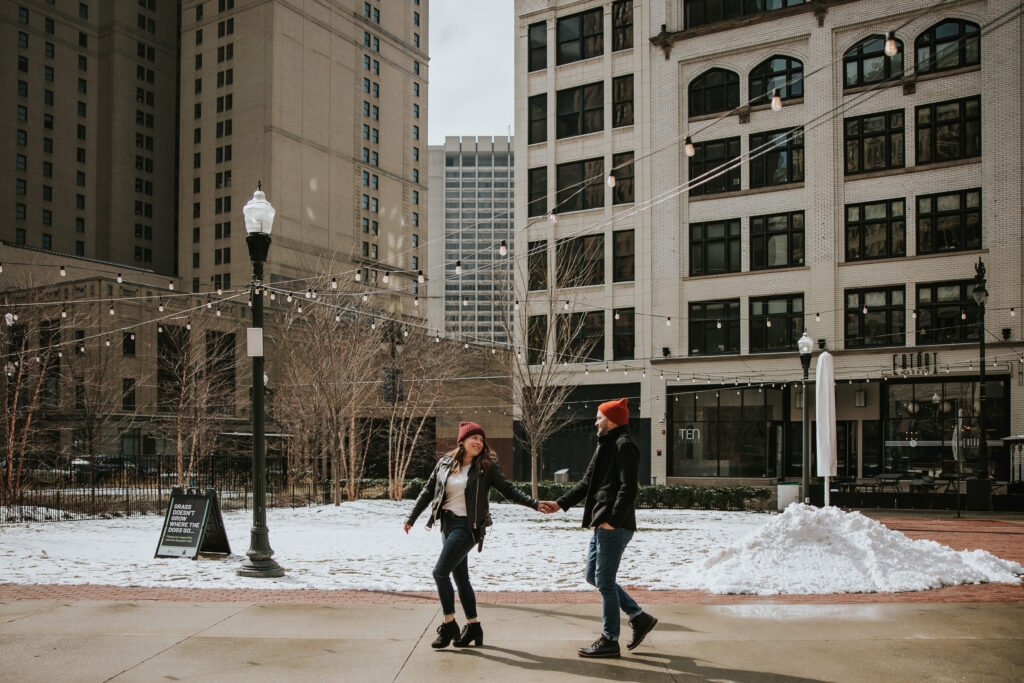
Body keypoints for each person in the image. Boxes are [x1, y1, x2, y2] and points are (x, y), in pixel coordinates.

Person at [405, 421, 550, 649]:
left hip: (469, 528)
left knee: (440, 572)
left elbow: (509, 490)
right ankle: (474, 627)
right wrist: (411, 518)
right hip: (447, 525)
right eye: (474, 438)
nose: (479, 442)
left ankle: (449, 624)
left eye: (481, 440)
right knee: (461, 579)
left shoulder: (485, 467)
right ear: (462, 441)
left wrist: (534, 504)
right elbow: (428, 490)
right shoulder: (445, 463)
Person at [539, 398, 657, 658]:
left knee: (603, 580)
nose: (595, 421)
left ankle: (610, 639)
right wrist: (560, 504)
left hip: (614, 525)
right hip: (602, 523)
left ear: (611, 419)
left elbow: (629, 489)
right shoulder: (605, 445)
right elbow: (586, 483)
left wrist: (612, 521)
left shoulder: (624, 445)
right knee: (594, 577)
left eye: (598, 417)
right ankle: (638, 617)